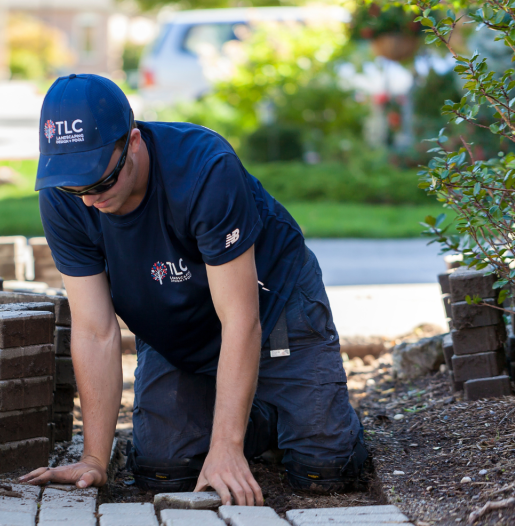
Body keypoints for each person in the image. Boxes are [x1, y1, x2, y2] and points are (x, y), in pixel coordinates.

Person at [20, 74, 368, 504]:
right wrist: (94, 457)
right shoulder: (63, 197)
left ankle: (286, 414)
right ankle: (253, 417)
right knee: (162, 471)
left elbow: (241, 319)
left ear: (131, 142)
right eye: (77, 188)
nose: (90, 200)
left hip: (274, 312)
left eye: (101, 182)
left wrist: (225, 449)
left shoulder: (205, 169)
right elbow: (95, 331)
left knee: (324, 471)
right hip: (178, 329)